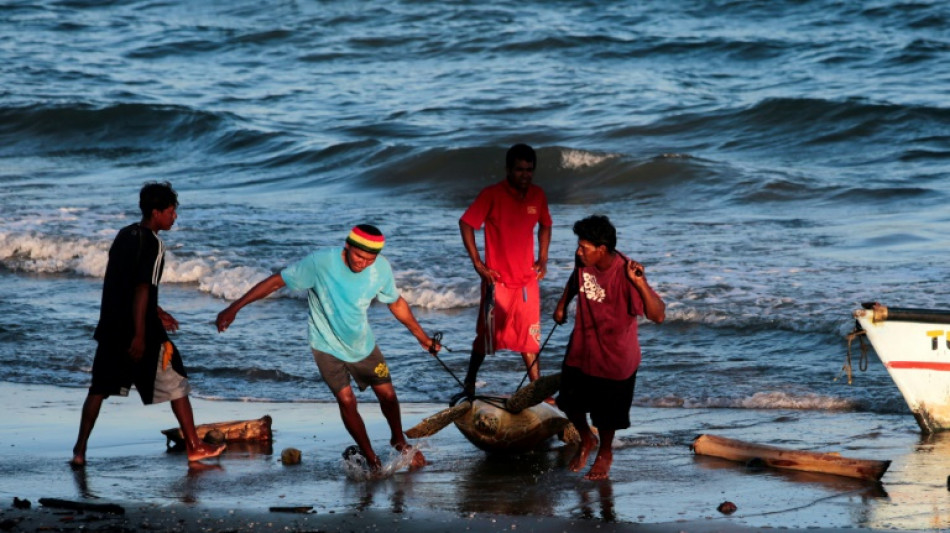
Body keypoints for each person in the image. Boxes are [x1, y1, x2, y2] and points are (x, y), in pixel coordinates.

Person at [215, 224, 439, 472]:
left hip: (362, 344)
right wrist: (234, 307)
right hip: (325, 346)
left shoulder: (381, 269)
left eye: (369, 259)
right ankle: (371, 459)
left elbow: (395, 303)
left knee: (387, 395)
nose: (363, 263)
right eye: (358, 256)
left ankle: (398, 440)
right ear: (347, 246)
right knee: (346, 400)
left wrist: (423, 338)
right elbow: (277, 281)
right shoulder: (320, 263)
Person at [71, 182, 226, 467]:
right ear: (156, 213)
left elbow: (124, 284)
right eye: (170, 211)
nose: (174, 217)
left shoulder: (124, 235)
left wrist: (158, 310)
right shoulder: (154, 243)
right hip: (139, 329)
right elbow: (142, 287)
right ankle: (194, 446)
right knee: (176, 377)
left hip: (111, 327)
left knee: (98, 389)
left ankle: (79, 451)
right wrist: (141, 334)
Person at [552, 215, 665, 480]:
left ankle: (604, 452)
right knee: (568, 402)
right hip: (582, 348)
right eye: (578, 246)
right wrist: (561, 304)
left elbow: (658, 315)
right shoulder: (583, 262)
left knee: (606, 418)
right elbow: (575, 278)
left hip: (615, 357)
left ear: (602, 249)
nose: (578, 252)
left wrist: (640, 282)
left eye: (584, 248)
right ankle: (585, 439)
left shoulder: (626, 274)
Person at [457, 143, 552, 400]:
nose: (525, 175)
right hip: (496, 281)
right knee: (486, 336)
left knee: (530, 338)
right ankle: (469, 382)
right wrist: (478, 263)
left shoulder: (538, 195)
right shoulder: (492, 194)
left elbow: (545, 225)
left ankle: (538, 390)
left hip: (526, 282)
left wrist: (543, 257)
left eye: (529, 170)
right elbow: (466, 223)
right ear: (508, 169)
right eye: (520, 169)